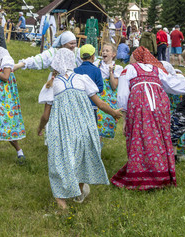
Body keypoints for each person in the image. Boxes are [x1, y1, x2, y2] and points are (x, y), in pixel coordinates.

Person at [37, 48, 122, 209]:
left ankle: (63, 207)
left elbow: (45, 116)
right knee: (82, 160)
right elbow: (100, 103)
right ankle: (79, 192)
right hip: (83, 128)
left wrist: (39, 128)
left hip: (62, 130)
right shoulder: (82, 79)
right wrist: (113, 113)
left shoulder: (53, 83)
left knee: (58, 163)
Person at [111, 46, 185, 190]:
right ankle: (161, 174)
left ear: (135, 58)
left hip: (140, 105)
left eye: (132, 56)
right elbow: (172, 84)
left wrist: (125, 118)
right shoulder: (157, 69)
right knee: (158, 137)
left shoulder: (129, 69)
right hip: (160, 106)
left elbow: (123, 94)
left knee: (139, 137)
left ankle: (141, 175)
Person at [14, 31, 83, 84]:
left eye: (75, 43)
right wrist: (19, 65)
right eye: (71, 43)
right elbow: (38, 59)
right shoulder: (54, 52)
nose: (73, 46)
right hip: (56, 82)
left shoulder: (78, 52)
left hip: (74, 82)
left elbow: (91, 61)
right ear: (63, 44)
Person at [161, 62, 185, 162]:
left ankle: (181, 154)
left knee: (181, 133)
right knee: (176, 133)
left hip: (179, 111)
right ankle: (175, 154)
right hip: (174, 111)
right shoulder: (168, 81)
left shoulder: (177, 81)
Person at [93, 43, 123, 139]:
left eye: (107, 51)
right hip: (97, 95)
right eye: (103, 50)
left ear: (113, 54)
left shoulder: (117, 68)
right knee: (95, 120)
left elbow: (114, 86)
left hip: (109, 98)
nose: (104, 52)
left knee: (105, 119)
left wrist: (111, 72)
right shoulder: (96, 64)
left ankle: (99, 146)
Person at [74, 44, 103, 122]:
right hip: (92, 104)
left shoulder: (75, 71)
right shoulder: (96, 70)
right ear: (93, 57)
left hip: (78, 105)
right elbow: (100, 88)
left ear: (81, 57)